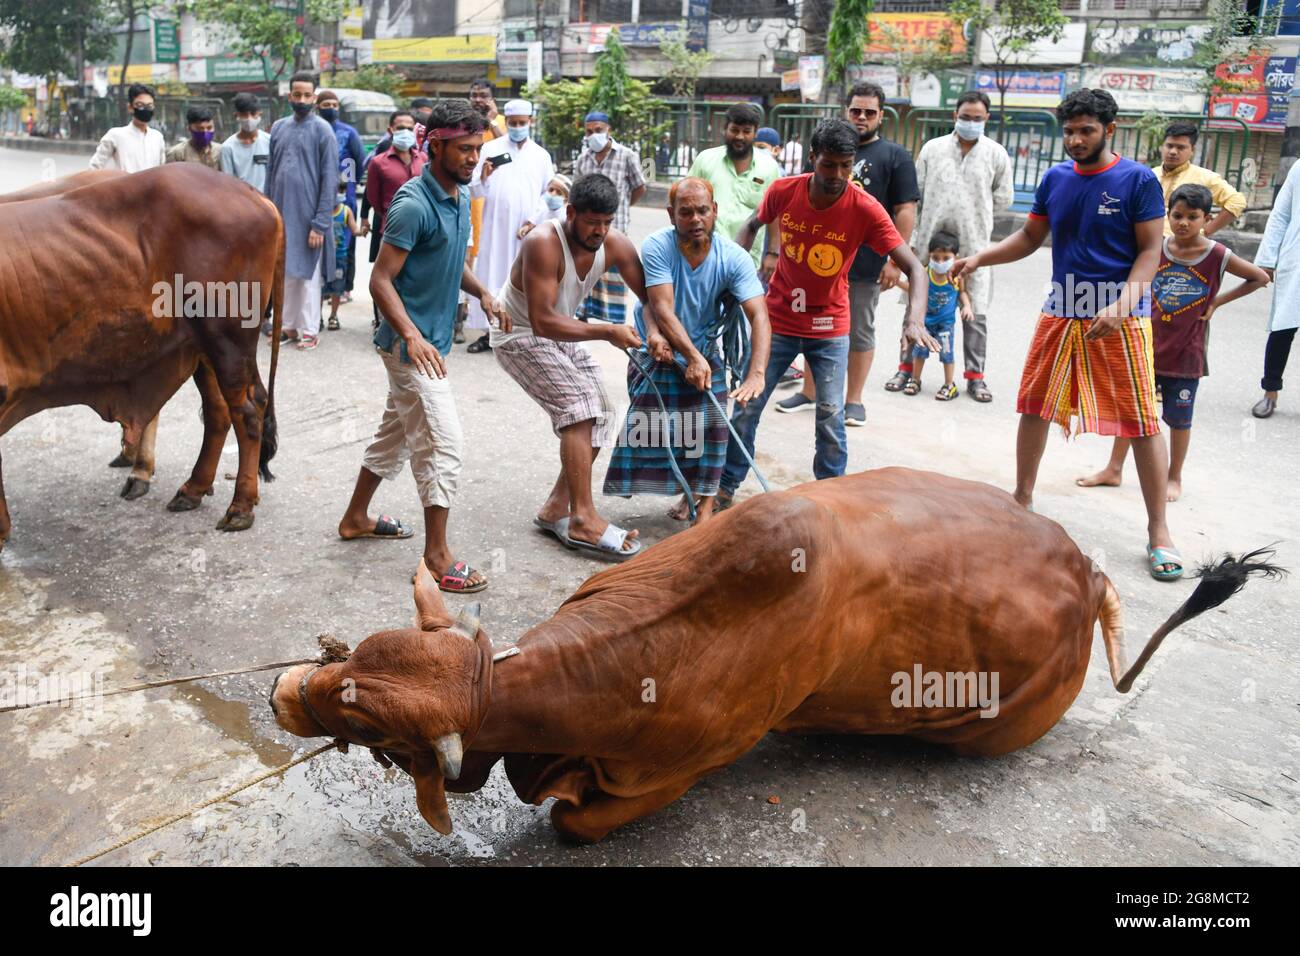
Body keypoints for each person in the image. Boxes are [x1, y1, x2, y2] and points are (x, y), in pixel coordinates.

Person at [951, 88, 1183, 580]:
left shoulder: (1138, 180)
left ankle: (1159, 530)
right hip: (1061, 309)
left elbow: (1150, 252)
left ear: (1109, 130)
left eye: (1086, 131)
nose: (1076, 140)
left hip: (1121, 317)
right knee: (1034, 405)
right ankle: (1021, 500)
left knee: (1142, 421)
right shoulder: (1055, 178)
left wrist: (1121, 306)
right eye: (1070, 131)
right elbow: (1030, 237)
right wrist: (979, 257)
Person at [337, 99, 506, 593]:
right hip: (408, 347)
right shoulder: (413, 205)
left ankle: (355, 518)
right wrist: (411, 335)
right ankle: (436, 556)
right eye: (463, 149)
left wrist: (483, 293)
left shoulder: (459, 196)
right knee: (441, 443)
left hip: (429, 342)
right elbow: (380, 280)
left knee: (394, 436)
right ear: (435, 146)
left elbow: (451, 261)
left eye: (477, 148)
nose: (473, 158)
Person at [721, 119, 932, 509]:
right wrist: (733, 277)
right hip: (777, 322)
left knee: (831, 417)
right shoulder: (784, 191)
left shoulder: (865, 208)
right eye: (828, 165)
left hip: (829, 326)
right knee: (747, 408)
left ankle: (831, 502)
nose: (837, 175)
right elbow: (751, 225)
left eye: (845, 166)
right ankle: (724, 489)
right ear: (812, 158)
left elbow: (915, 268)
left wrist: (914, 319)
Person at [1074, 184, 1268, 499]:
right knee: (1134, 411)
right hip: (1146, 347)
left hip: (1186, 354)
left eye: (1193, 217)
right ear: (1168, 215)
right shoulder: (1156, 250)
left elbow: (1260, 277)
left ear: (1207, 219)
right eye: (1177, 216)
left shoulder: (1217, 255)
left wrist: (1216, 302)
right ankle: (1114, 468)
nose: (1184, 223)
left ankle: (1174, 477)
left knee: (1179, 420)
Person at [492, 173, 648, 560]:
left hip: (559, 332)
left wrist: (660, 333)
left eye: (607, 222)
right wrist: (608, 331)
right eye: (592, 222)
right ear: (571, 212)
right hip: (519, 334)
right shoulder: (543, 242)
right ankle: (583, 517)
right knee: (580, 408)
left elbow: (652, 295)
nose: (600, 231)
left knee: (604, 411)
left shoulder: (614, 243)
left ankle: (556, 508)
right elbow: (542, 321)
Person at [604, 177, 771, 526]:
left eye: (702, 211)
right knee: (663, 428)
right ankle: (686, 487)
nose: (695, 219)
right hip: (660, 346)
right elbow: (661, 307)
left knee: (714, 429)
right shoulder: (657, 246)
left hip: (705, 347)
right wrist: (687, 355)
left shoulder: (734, 258)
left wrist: (756, 373)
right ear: (671, 215)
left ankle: (704, 507)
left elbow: (758, 315)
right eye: (686, 212)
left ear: (715, 211)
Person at [782, 82, 920, 426]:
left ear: (881, 115)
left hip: (866, 265)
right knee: (813, 327)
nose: (862, 117)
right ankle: (810, 392)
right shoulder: (826, 147)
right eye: (856, 110)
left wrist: (893, 262)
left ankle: (853, 400)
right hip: (819, 263)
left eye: (869, 112)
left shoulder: (895, 156)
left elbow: (905, 209)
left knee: (859, 330)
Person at [902, 91, 1013, 403]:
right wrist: (913, 242)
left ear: (987, 119)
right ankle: (906, 370)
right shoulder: (932, 149)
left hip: (974, 246)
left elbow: (1003, 199)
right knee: (916, 305)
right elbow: (916, 193)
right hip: (929, 242)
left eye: (977, 118)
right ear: (955, 116)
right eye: (965, 117)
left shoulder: (996, 154)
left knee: (974, 311)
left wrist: (974, 211)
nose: (971, 122)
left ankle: (976, 378)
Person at [465, 99, 553, 354]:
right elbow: (474, 189)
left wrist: (533, 220)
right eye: (512, 123)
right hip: (495, 228)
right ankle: (489, 333)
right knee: (492, 276)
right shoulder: (490, 148)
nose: (516, 127)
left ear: (530, 122)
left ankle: (520, 334)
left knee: (523, 280)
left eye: (521, 123)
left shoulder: (541, 155)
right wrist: (484, 177)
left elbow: (549, 193)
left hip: (527, 231)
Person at [266, 71, 337, 352]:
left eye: (307, 95)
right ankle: (287, 326)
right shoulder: (278, 128)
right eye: (297, 94)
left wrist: (320, 223)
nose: (302, 99)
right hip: (281, 213)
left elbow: (330, 178)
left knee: (308, 275)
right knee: (284, 273)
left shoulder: (323, 130)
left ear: (315, 97)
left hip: (309, 218)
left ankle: (309, 329)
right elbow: (271, 172)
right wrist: (269, 214)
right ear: (289, 96)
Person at [567, 110, 647, 326]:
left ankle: (615, 319)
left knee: (615, 271)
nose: (594, 135)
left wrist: (622, 206)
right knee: (587, 267)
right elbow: (577, 191)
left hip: (616, 224)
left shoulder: (627, 155)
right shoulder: (583, 159)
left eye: (598, 130)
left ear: (608, 130)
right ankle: (582, 314)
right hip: (587, 226)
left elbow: (639, 187)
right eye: (589, 132)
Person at [688, 102, 781, 271]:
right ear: (725, 129)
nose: (740, 136)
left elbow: (775, 211)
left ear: (755, 133)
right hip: (704, 256)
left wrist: (773, 252)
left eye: (746, 131)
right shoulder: (705, 160)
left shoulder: (769, 167)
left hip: (747, 260)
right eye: (735, 130)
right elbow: (686, 200)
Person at [361, 110, 425, 329]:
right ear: (390, 130)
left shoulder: (423, 160)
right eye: (400, 128)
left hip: (421, 232)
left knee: (415, 280)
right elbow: (373, 198)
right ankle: (385, 327)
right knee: (386, 280)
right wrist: (391, 217)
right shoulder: (378, 163)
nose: (405, 132)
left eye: (409, 128)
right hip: (391, 230)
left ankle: (413, 327)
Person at [897, 232, 973, 400]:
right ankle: (915, 380)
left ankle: (949, 385)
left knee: (947, 354)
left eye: (946, 258)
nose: (940, 262)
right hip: (925, 324)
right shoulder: (925, 273)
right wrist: (897, 282)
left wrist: (967, 306)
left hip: (945, 325)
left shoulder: (956, 276)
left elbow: (962, 292)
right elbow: (911, 287)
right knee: (919, 352)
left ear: (955, 257)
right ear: (929, 256)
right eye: (936, 257)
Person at [1252, 158, 1300, 419]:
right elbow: (1280, 215)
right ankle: (1270, 392)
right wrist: (1267, 260)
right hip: (1297, 260)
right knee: (1283, 328)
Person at [1154, 121, 1246, 238]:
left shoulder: (1205, 177)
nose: (1173, 152)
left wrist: (1206, 232)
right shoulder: (1149, 174)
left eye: (1181, 147)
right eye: (1169, 146)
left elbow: (1237, 201)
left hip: (1181, 244)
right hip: (1144, 241)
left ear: (1192, 150)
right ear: (1162, 146)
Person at [316, 90, 365, 302]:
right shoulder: (314, 130)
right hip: (318, 194)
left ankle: (345, 287)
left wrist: (348, 185)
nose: (331, 108)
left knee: (346, 242)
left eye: (335, 105)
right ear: (318, 107)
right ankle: (324, 286)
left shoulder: (348, 132)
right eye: (326, 104)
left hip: (345, 194)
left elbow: (359, 162)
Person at [89, 83, 165, 172]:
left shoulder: (157, 137)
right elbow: (94, 167)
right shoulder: (116, 135)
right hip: (126, 181)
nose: (145, 109)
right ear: (130, 107)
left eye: (149, 106)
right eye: (140, 105)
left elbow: (162, 169)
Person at [323, 174, 363, 331]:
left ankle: (333, 316)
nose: (339, 194)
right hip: (323, 258)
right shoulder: (322, 211)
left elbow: (354, 230)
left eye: (342, 190)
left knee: (337, 288)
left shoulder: (346, 211)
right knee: (320, 288)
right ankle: (317, 317)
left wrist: (363, 230)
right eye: (336, 190)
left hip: (340, 257)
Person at [219, 92, 270, 193]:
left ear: (259, 114)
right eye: (244, 115)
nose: (249, 118)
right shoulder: (227, 148)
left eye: (253, 114)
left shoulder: (270, 141)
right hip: (242, 200)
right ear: (236, 115)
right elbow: (228, 183)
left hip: (267, 199)